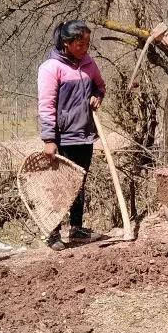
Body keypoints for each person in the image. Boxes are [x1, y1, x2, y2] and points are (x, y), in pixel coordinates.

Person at [37, 20, 105, 250]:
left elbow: (100, 86)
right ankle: (53, 233)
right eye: (80, 44)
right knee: (59, 186)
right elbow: (46, 106)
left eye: (87, 43)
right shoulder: (51, 68)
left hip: (84, 134)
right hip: (61, 137)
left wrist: (97, 95)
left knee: (79, 183)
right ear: (66, 43)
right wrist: (49, 140)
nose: (85, 48)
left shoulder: (88, 64)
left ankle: (76, 229)